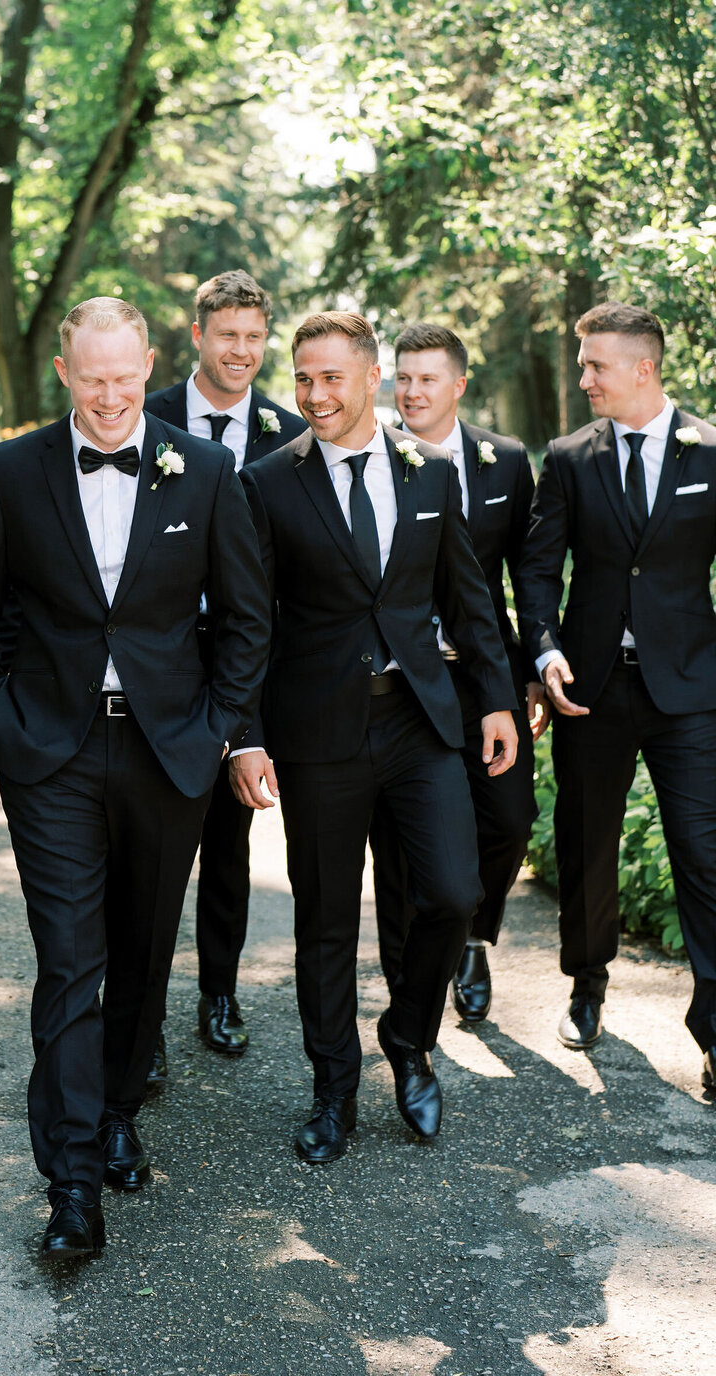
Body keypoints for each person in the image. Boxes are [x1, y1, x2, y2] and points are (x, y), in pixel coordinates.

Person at [0, 297, 270, 1259]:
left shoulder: (206, 471)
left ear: (149, 364)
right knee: (69, 957)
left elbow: (249, 618)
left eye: (126, 378)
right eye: (93, 379)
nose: (111, 397)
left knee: (141, 949)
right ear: (64, 373)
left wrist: (218, 728)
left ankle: (121, 1106)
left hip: (169, 749)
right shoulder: (11, 471)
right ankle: (72, 1179)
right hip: (50, 749)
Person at [231, 311, 518, 1164]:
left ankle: (408, 1035)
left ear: (371, 380)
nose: (314, 395)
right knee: (324, 921)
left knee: (451, 892)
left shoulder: (429, 471)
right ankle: (333, 1089)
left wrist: (496, 698)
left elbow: (469, 593)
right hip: (318, 730)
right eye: (303, 378)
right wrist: (245, 735)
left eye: (330, 378)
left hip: (419, 719)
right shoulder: (267, 482)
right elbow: (249, 623)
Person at [519, 301, 716, 1085]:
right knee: (587, 842)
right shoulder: (569, 457)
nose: (584, 378)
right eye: (582, 364)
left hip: (691, 691)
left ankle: (713, 1027)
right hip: (589, 688)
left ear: (644, 368)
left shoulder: (712, 452)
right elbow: (537, 567)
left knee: (704, 854)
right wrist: (544, 650)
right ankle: (587, 984)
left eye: (596, 365)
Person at [148, 269, 305, 1063]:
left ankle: (219, 991)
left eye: (253, 337)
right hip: (157, 662)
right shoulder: (141, 420)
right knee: (143, 838)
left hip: (250, 665)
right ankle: (135, 1003)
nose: (240, 351)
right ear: (198, 335)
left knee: (227, 839)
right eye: (227, 335)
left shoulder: (288, 433)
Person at [370, 322, 544, 1023]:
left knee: (509, 816)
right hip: (400, 679)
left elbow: (526, 570)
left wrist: (532, 663)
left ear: (459, 385)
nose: (411, 391)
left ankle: (473, 932)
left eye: (427, 379)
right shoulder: (372, 459)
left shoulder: (505, 461)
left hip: (482, 669)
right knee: (397, 844)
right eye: (403, 378)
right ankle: (413, 984)